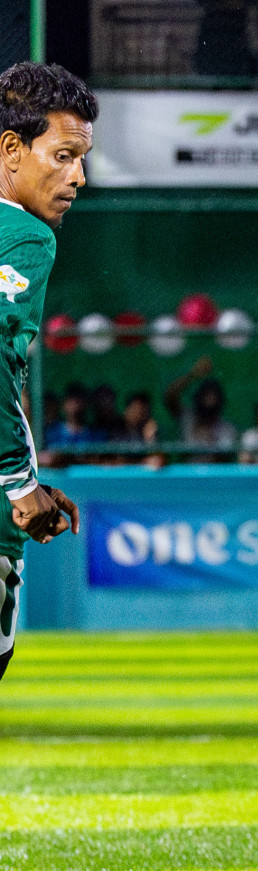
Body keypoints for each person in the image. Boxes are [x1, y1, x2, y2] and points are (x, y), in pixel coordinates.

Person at [0, 62, 91, 677]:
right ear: (12, 149)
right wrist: (16, 482)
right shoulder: (24, 236)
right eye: (63, 156)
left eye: (81, 159)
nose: (78, 177)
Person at [163, 356, 237, 452]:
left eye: (213, 397)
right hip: (189, 462)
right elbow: (170, 396)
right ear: (199, 398)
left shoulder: (227, 430)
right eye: (206, 396)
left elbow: (223, 457)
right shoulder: (188, 418)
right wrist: (192, 375)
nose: (209, 400)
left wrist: (209, 441)